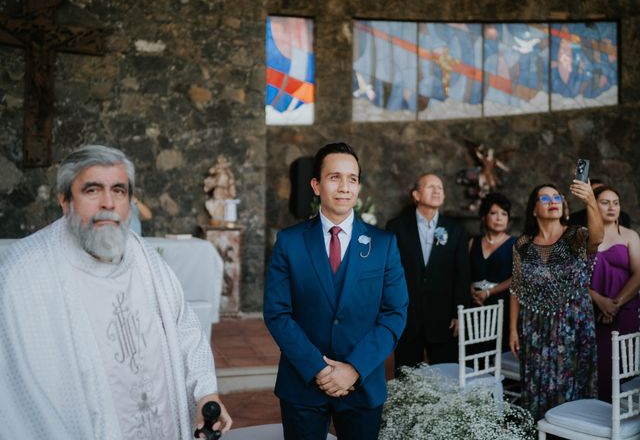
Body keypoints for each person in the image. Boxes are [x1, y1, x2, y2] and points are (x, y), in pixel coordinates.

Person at [0, 145, 231, 439]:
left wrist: (205, 394)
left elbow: (186, 331)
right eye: (93, 190)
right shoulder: (23, 276)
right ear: (65, 200)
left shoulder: (148, 260)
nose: (108, 202)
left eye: (119, 191)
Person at [263, 142, 408, 440]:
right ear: (316, 185)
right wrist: (319, 369)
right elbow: (277, 313)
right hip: (303, 383)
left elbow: (394, 313)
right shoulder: (289, 242)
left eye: (352, 179)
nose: (345, 187)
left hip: (363, 383)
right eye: (335, 177)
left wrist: (354, 368)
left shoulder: (384, 245)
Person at [509, 181, 603, 420]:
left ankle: (571, 432)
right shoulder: (523, 244)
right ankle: (541, 431)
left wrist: (590, 201)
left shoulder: (575, 236)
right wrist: (512, 329)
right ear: (533, 209)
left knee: (570, 384)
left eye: (557, 198)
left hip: (573, 323)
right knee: (538, 382)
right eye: (545, 198)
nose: (553, 202)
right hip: (535, 326)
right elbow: (516, 289)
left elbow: (597, 238)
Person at [386, 174, 471, 368]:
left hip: (444, 318)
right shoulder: (397, 227)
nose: (437, 191)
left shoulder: (456, 230)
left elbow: (462, 273)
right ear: (416, 195)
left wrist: (460, 313)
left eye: (440, 188)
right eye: (431, 187)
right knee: (407, 377)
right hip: (408, 316)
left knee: (447, 376)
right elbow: (389, 273)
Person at [589, 185, 640, 401]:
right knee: (598, 365)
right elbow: (573, 279)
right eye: (605, 202)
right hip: (592, 312)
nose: (612, 207)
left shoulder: (630, 236)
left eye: (616, 202)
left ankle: (625, 423)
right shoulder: (584, 237)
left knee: (625, 365)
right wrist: (600, 301)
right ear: (593, 206)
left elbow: (639, 274)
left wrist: (614, 304)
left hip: (625, 309)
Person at [468, 192, 515, 352]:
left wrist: (488, 293)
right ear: (483, 217)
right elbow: (464, 271)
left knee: (497, 354)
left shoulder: (515, 244)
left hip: (501, 305)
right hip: (473, 306)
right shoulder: (472, 242)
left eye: (504, 214)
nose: (499, 218)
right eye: (493, 213)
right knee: (472, 353)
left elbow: (517, 277)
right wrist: (470, 291)